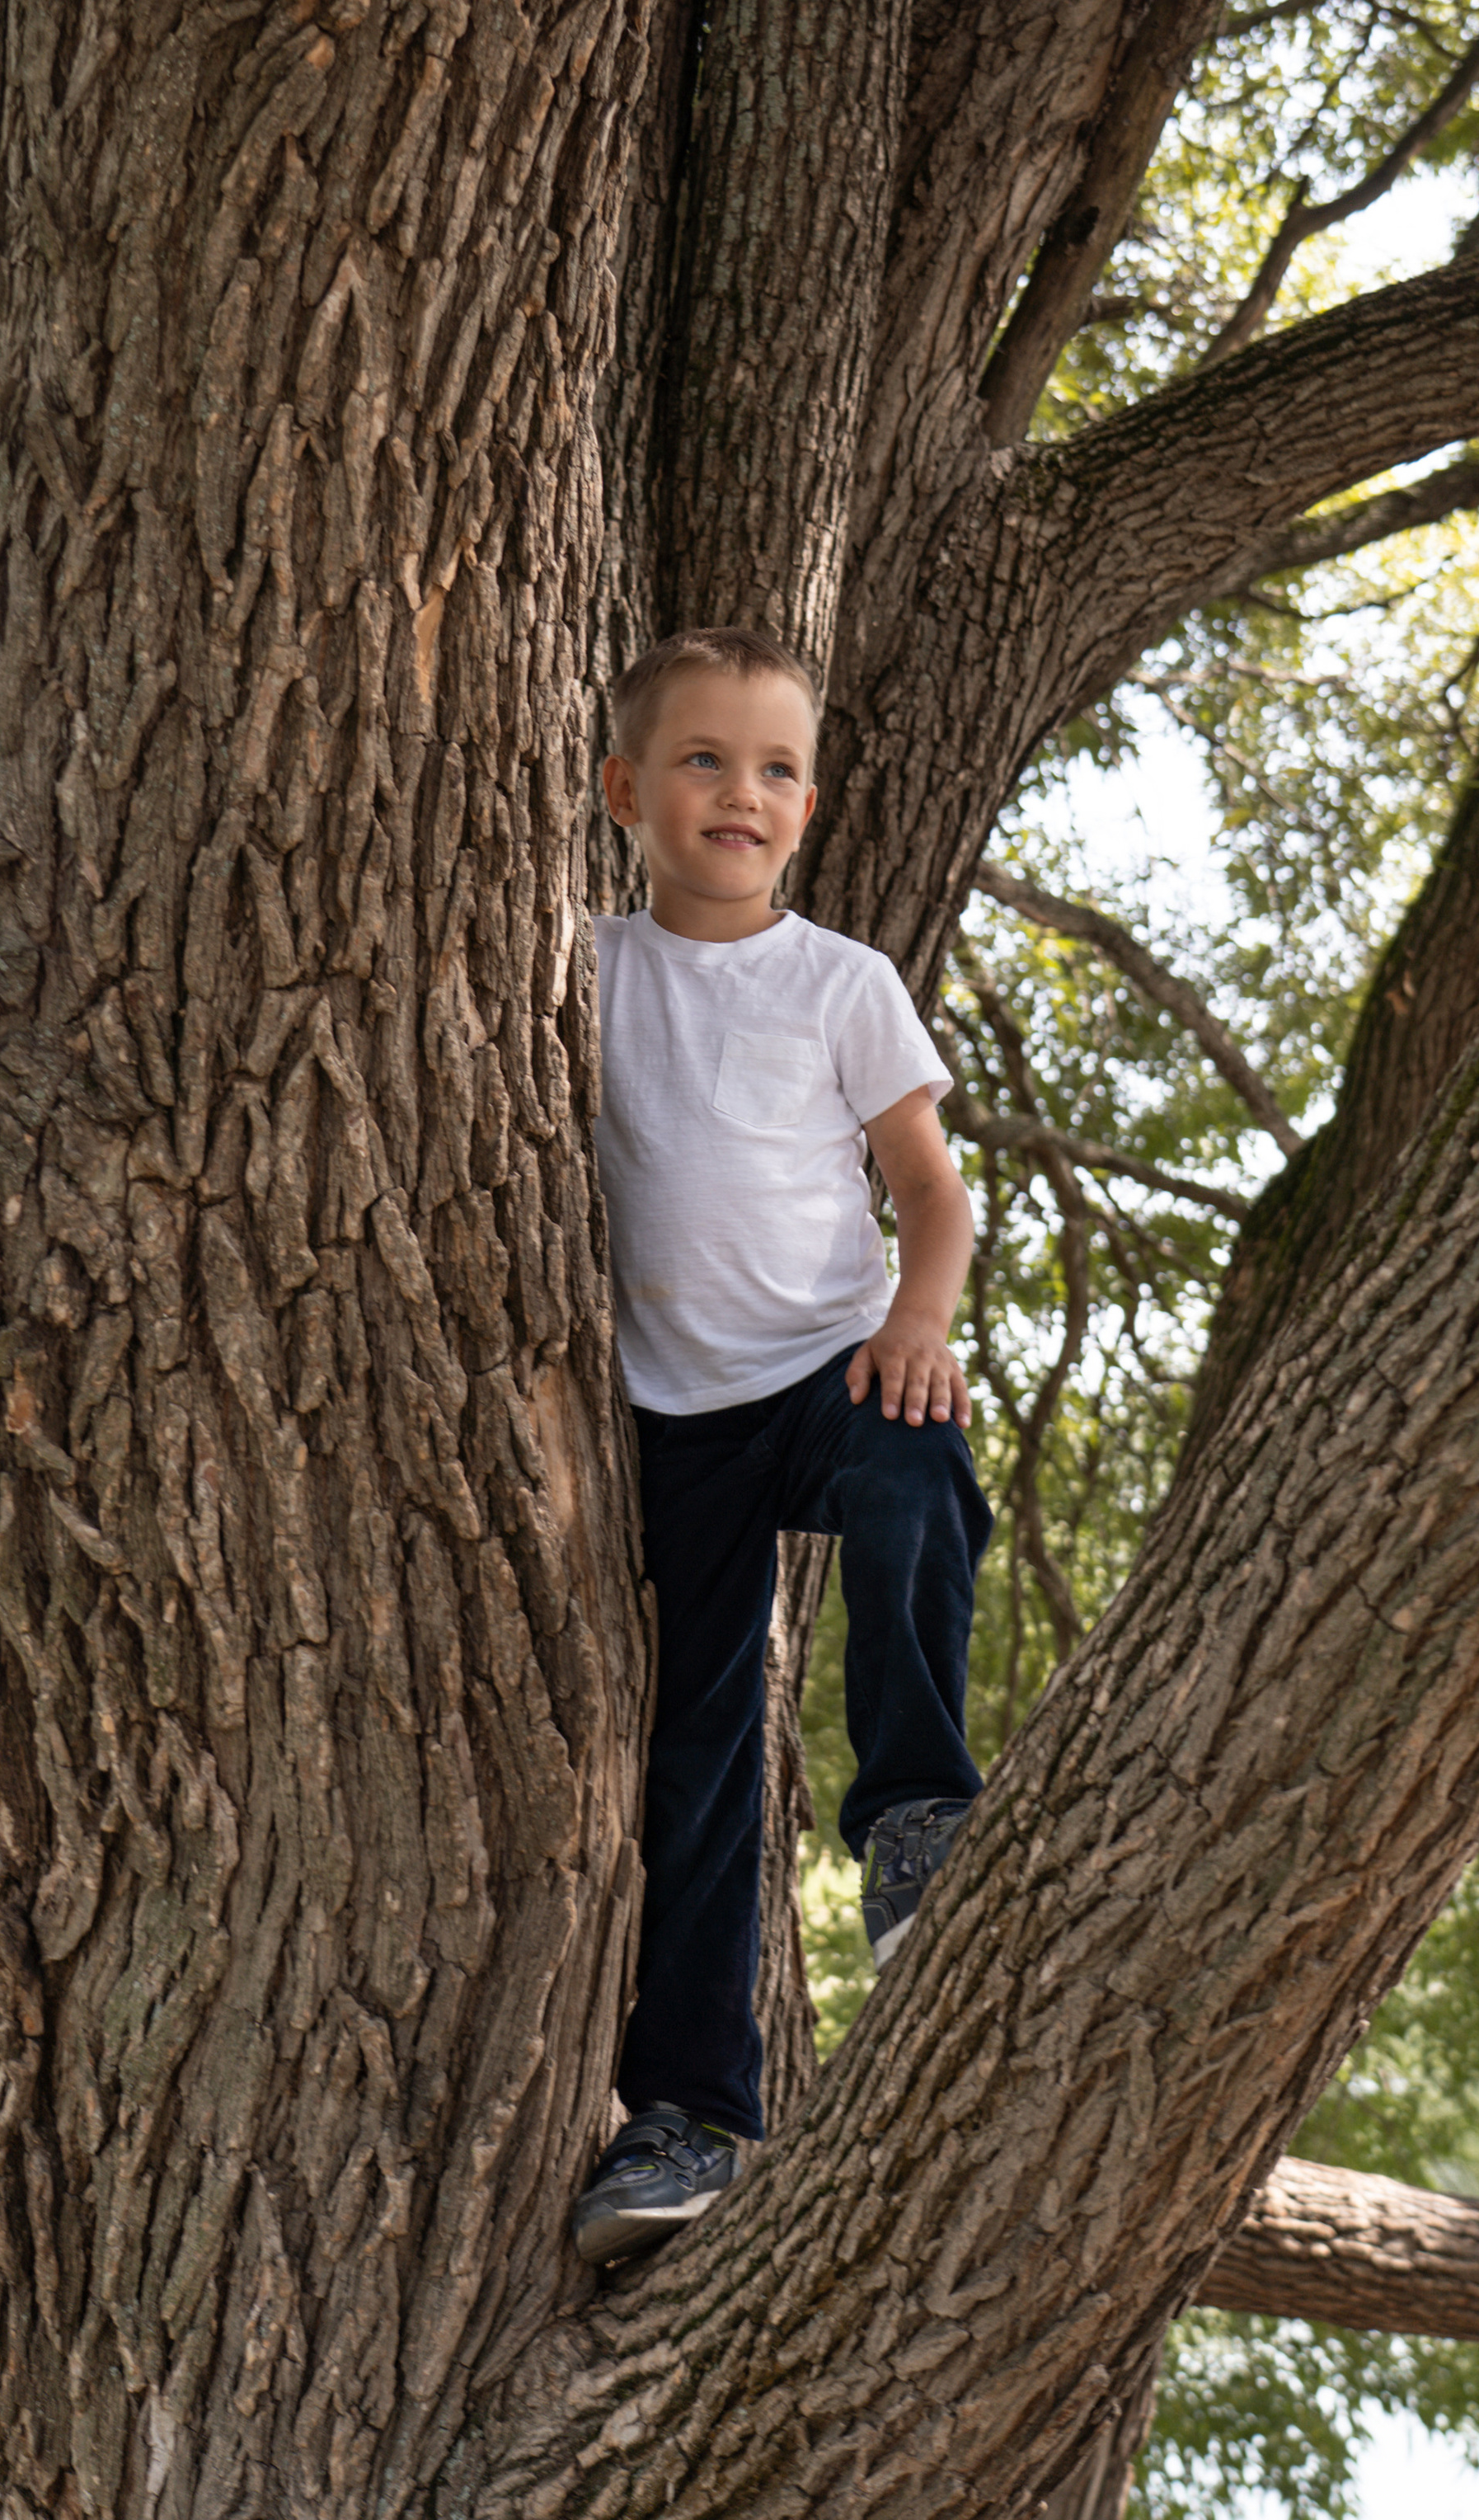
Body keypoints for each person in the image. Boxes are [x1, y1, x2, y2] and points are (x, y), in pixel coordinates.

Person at [570, 624, 992, 2266]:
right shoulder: (582, 967)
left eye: (773, 769)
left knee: (915, 1474)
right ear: (626, 792)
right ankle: (684, 2119)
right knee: (694, 1760)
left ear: (806, 808)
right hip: (665, 1423)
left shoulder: (841, 982)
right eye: (701, 760)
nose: (737, 792)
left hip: (829, 1368)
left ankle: (915, 1812)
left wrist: (918, 1324)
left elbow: (931, 1193)